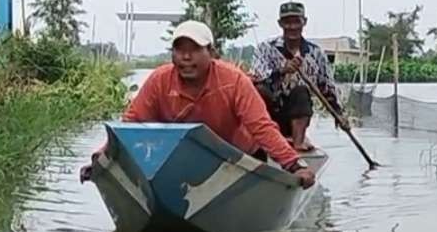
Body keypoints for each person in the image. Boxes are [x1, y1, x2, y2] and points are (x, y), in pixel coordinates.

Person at [81, 20, 316, 189]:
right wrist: (102, 157)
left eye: (194, 50)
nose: (186, 57)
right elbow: (131, 125)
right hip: (184, 158)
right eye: (179, 50)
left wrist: (294, 165)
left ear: (211, 52)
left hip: (237, 156)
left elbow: (262, 126)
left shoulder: (233, 81)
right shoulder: (160, 80)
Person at [250, 1, 349, 152]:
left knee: (301, 91)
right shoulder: (266, 48)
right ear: (280, 23)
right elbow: (256, 78)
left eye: (296, 21)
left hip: (295, 114)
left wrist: (338, 114)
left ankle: (297, 143)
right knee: (259, 89)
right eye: (287, 22)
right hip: (268, 112)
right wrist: (282, 71)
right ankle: (260, 139)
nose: (292, 27)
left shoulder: (316, 53)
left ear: (304, 22)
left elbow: (327, 87)